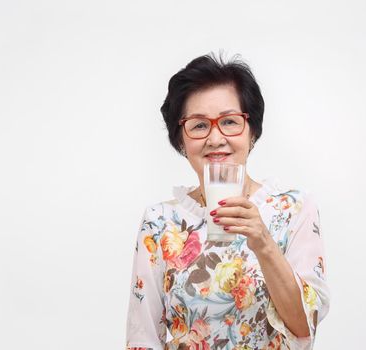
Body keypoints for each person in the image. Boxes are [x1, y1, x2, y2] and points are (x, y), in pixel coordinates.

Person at [125, 54, 330, 350]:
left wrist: (263, 242)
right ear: (181, 141)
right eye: (198, 126)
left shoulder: (294, 210)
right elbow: (141, 338)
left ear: (253, 131)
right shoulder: (160, 221)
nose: (215, 138)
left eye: (230, 121)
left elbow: (303, 326)